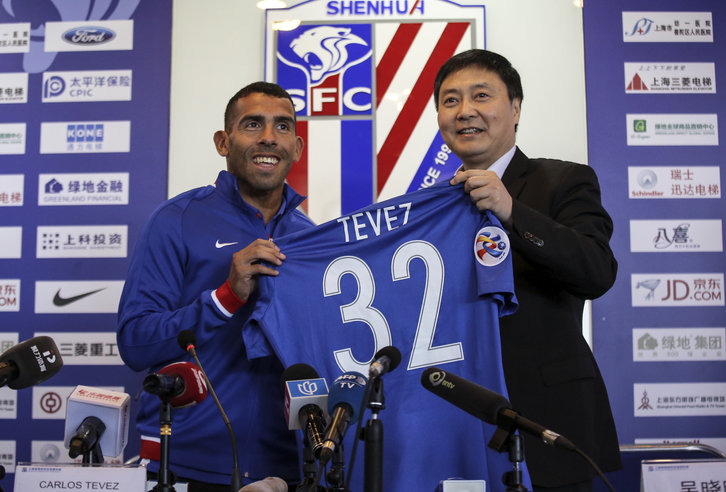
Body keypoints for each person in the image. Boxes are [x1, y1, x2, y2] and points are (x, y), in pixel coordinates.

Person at [434, 49, 621, 491]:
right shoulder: (432, 208)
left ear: (515, 108)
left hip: (547, 421)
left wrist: (512, 211)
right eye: (450, 100)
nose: (465, 112)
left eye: (481, 95)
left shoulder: (563, 181)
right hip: (456, 420)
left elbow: (596, 270)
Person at [117, 81, 314, 491]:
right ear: (223, 142)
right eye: (252, 124)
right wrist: (226, 298)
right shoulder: (176, 220)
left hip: (285, 467)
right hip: (185, 464)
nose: (267, 138)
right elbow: (135, 343)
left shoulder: (309, 236)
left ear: (296, 148)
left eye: (281, 127)